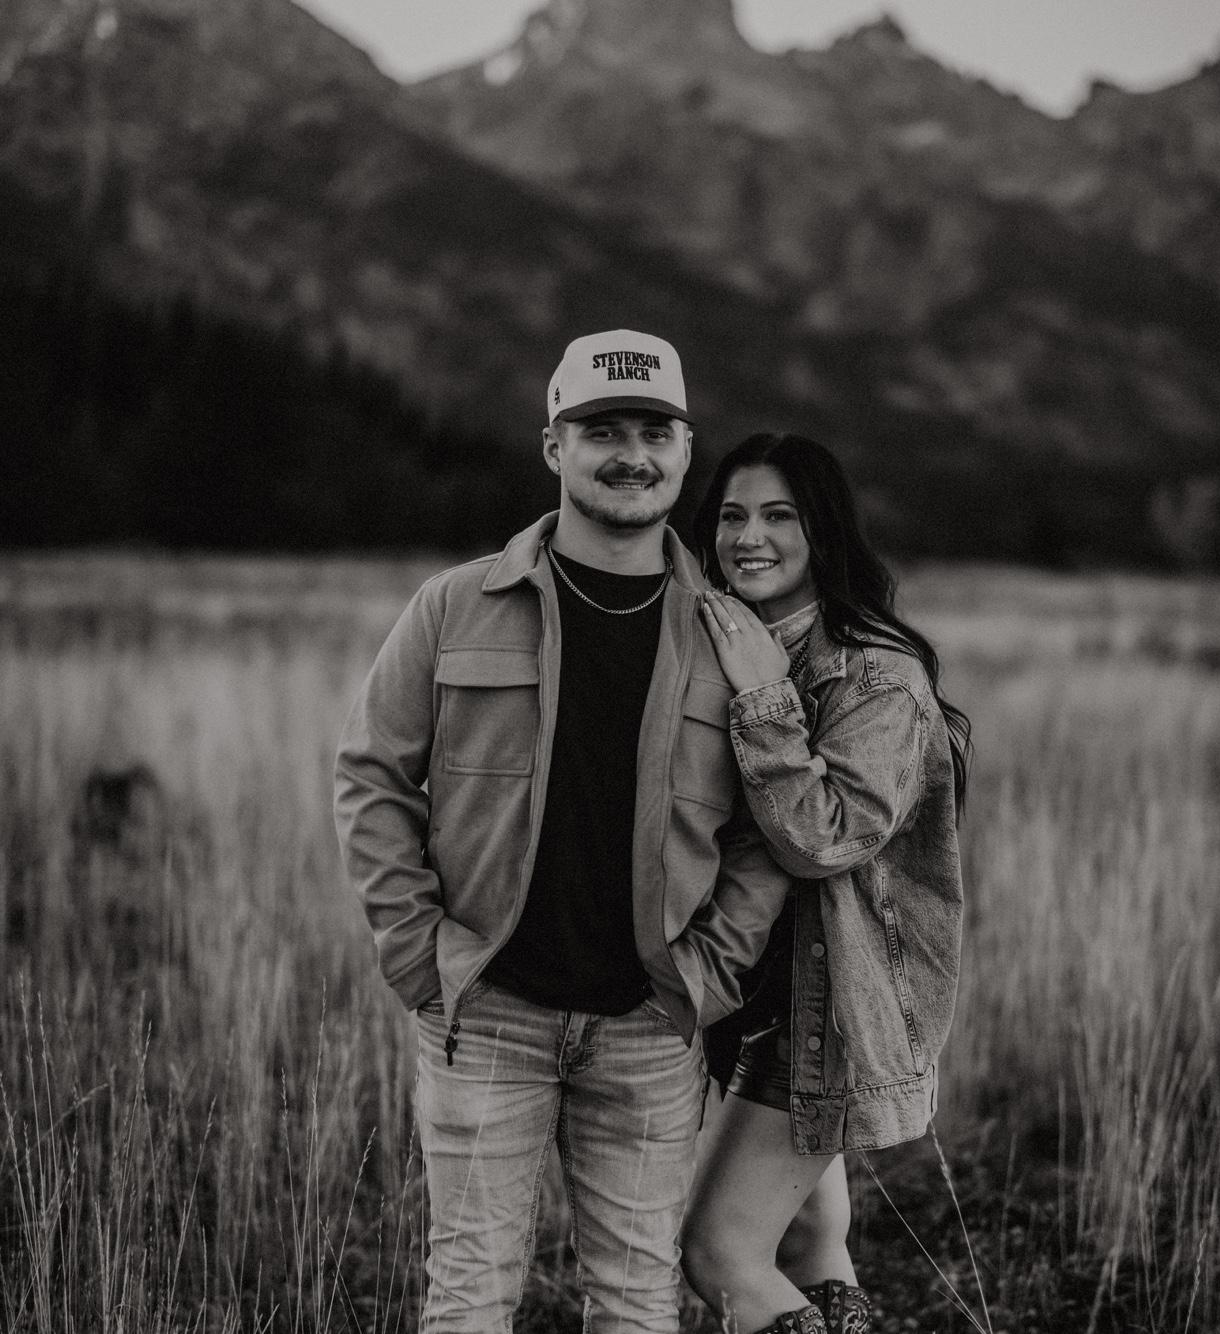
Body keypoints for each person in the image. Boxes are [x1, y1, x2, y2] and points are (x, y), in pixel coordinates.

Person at [333, 330, 791, 1334]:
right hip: (484, 1011)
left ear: (685, 450)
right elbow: (371, 773)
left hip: (650, 1025)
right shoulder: (454, 605)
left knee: (635, 1304)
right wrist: (418, 951)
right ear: (554, 447)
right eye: (602, 431)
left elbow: (768, 832)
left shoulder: (733, 637)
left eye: (653, 432)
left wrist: (709, 974)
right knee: (468, 1296)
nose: (631, 454)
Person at [679, 433, 972, 1334]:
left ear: (823, 530)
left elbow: (823, 839)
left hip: (828, 1007)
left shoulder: (878, 674)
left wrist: (765, 700)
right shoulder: (723, 643)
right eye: (732, 516)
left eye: (779, 516)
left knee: (718, 1253)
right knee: (808, 1240)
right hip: (753, 995)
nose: (749, 538)